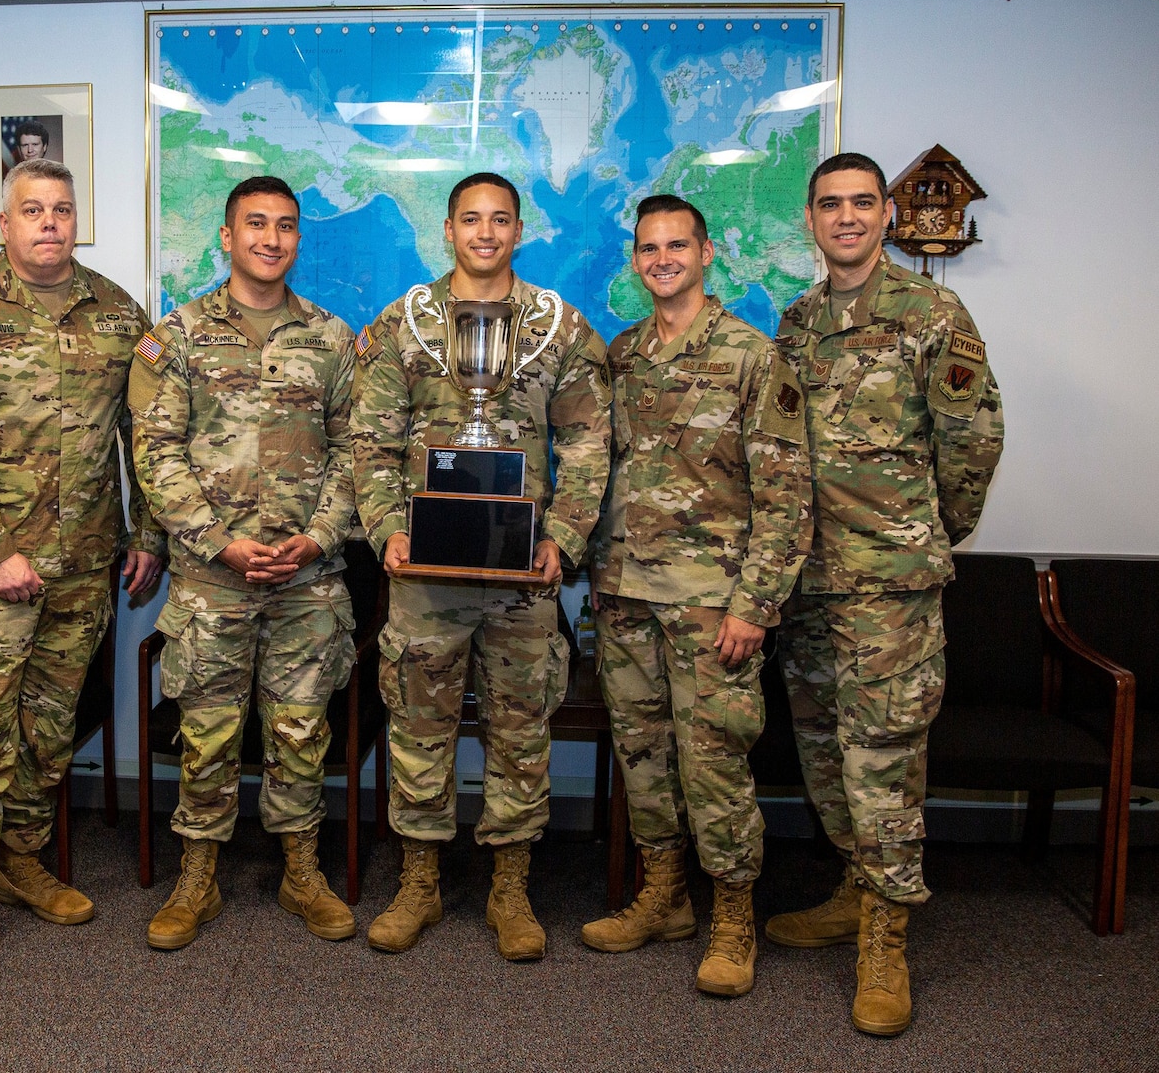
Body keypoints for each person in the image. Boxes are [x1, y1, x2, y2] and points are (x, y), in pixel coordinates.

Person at [0, 157, 165, 985]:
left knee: (48, 735)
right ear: (4, 223)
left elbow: (146, 436)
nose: (49, 222)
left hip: (83, 568)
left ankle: (17, 858)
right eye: (31, 210)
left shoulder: (119, 313)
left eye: (61, 209)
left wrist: (148, 532)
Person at [767, 153, 1004, 1035]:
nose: (848, 217)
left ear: (888, 215)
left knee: (885, 765)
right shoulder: (794, 325)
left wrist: (920, 535)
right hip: (810, 588)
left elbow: (974, 441)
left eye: (863, 202)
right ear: (811, 218)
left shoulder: (932, 314)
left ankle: (886, 937)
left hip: (890, 593)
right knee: (826, 753)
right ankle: (850, 888)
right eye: (831, 204)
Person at [350, 172, 610, 961]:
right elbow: (371, 437)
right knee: (419, 724)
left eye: (500, 220)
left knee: (520, 728)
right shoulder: (404, 324)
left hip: (521, 573)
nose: (486, 233)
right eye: (471, 219)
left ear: (520, 230)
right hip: (425, 573)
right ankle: (419, 881)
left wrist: (560, 536)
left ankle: (510, 886)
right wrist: (389, 528)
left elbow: (589, 441)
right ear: (448, 228)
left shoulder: (561, 329)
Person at [579, 195, 811, 997]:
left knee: (713, 765)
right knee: (643, 759)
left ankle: (732, 914)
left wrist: (756, 605)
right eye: (649, 247)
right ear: (636, 260)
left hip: (713, 605)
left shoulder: (751, 355)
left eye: (678, 244)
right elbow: (602, 473)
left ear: (707, 253)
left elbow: (787, 494)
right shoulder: (625, 354)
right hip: (626, 596)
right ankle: (664, 896)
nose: (663, 258)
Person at [129, 176, 359, 950]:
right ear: (226, 237)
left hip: (306, 581)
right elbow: (155, 455)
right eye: (255, 224)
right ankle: (199, 876)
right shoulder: (178, 335)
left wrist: (320, 538)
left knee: (300, 731)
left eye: (286, 226)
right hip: (212, 578)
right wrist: (216, 539)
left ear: (298, 240)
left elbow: (358, 455)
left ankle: (301, 871)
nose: (271, 238)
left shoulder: (331, 339)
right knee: (208, 732)